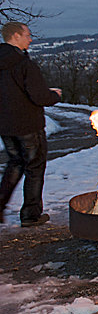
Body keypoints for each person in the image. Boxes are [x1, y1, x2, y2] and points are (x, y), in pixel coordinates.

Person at [0, 22, 61, 226]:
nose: (31, 39)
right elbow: (39, 96)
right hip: (28, 126)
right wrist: (54, 95)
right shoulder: (24, 64)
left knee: (15, 163)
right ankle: (31, 215)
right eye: (27, 35)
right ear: (16, 36)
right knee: (34, 167)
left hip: (5, 126)